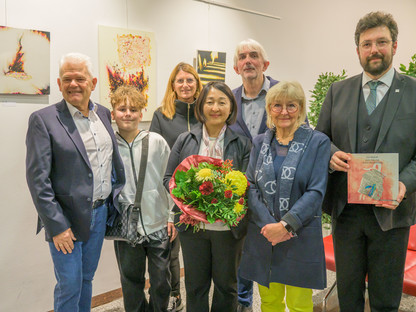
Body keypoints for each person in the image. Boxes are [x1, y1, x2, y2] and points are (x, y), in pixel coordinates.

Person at [316, 11, 416, 311]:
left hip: (392, 215)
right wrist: (331, 155)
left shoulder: (414, 91)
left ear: (395, 46)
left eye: (381, 42)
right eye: (367, 43)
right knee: (348, 298)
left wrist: (403, 184)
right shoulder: (338, 91)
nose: (374, 49)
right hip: (345, 214)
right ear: (357, 49)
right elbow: (320, 140)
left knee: (386, 300)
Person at [25, 53, 125, 312]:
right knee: (69, 285)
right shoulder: (44, 119)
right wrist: (56, 226)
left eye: (79, 78)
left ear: (92, 82)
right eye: (67, 79)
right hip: (65, 219)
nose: (73, 84)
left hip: (100, 213)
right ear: (59, 84)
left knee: (86, 279)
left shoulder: (102, 114)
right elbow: (38, 180)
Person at [239, 81, 330, 312]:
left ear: (301, 108)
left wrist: (286, 226)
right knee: (269, 302)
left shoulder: (318, 142)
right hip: (264, 234)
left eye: (291, 105)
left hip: (299, 234)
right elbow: (250, 186)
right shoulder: (260, 142)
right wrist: (271, 226)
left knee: (299, 304)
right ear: (269, 109)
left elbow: (316, 191)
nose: (284, 111)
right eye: (277, 105)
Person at [164, 81, 251, 312]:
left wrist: (226, 202)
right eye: (210, 102)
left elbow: (249, 187)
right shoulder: (185, 140)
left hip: (228, 231)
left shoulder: (242, 144)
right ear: (201, 106)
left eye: (222, 102)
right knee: (195, 286)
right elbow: (168, 179)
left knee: (227, 287)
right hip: (193, 230)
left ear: (231, 108)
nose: (215, 107)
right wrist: (191, 203)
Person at [110, 85, 177, 312]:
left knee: (161, 281)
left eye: (133, 109)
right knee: (131, 282)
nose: (127, 113)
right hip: (126, 225)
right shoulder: (109, 145)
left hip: (157, 222)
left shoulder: (156, 141)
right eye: (122, 109)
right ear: (113, 114)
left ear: (141, 113)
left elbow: (170, 181)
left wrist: (171, 215)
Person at [230, 38, 278, 312]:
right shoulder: (229, 99)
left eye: (254, 55)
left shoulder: (283, 94)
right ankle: (243, 304)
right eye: (242, 57)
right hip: (237, 191)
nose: (248, 60)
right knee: (241, 253)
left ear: (265, 63)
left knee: (270, 252)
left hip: (273, 193)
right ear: (236, 67)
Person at [150, 62, 203, 311]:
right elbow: (154, 157)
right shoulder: (162, 115)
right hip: (172, 192)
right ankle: (174, 294)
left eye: (190, 80)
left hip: (203, 193)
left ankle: (199, 296)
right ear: (173, 85)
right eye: (180, 81)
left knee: (201, 250)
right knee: (171, 248)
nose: (185, 85)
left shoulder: (206, 113)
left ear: (197, 84)